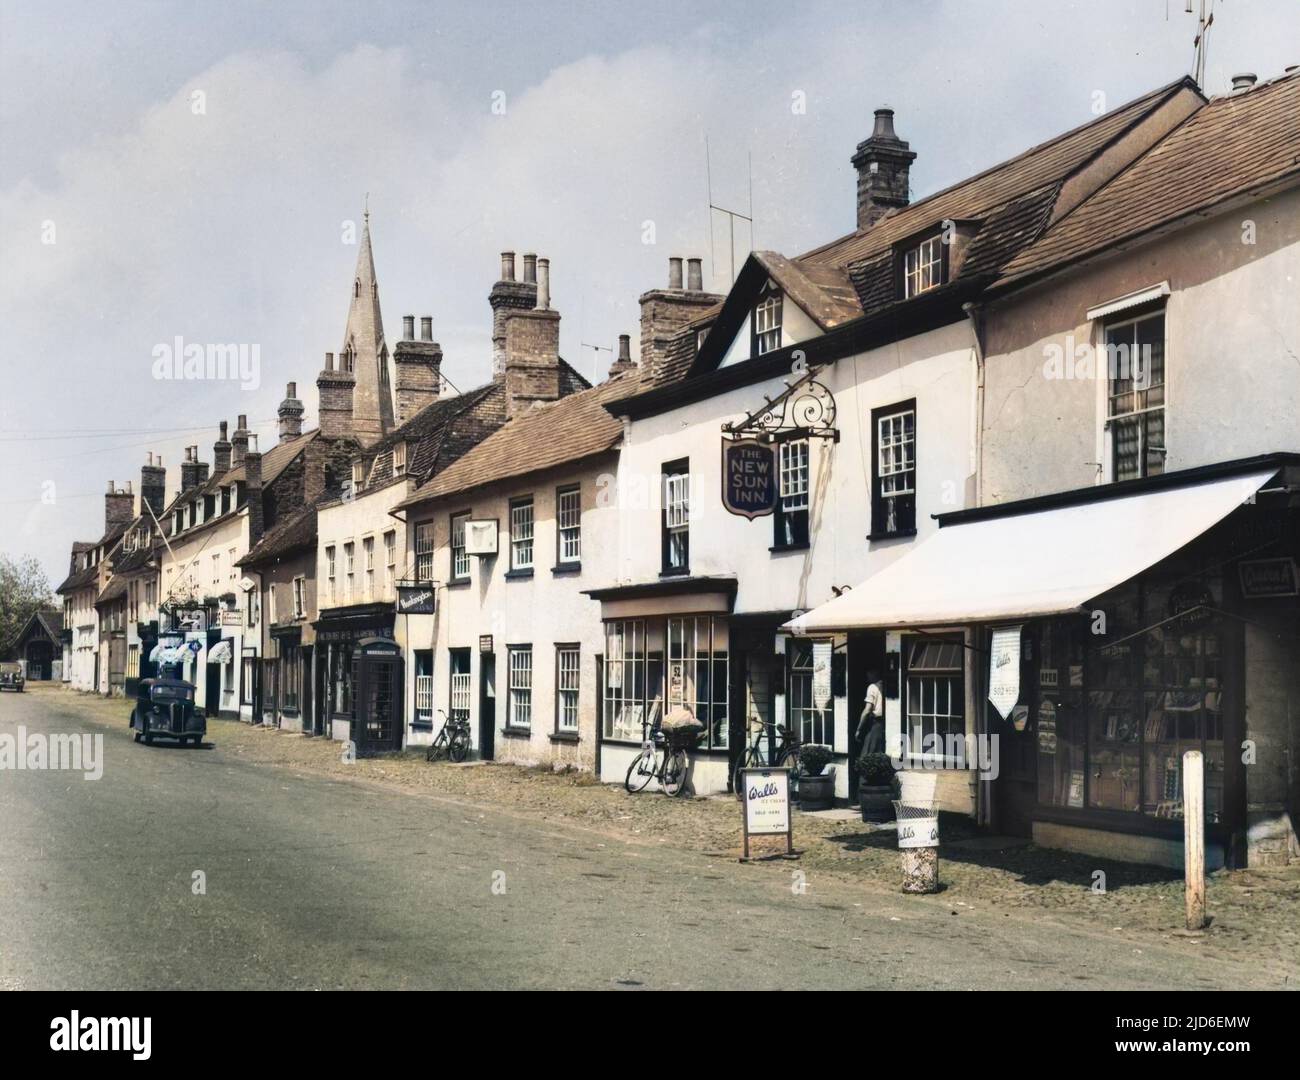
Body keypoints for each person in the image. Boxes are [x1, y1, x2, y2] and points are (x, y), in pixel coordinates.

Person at [856, 669, 885, 755]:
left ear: (874, 673)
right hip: (883, 724)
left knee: (867, 754)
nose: (867, 676)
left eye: (868, 673)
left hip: (875, 724)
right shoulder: (884, 685)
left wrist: (859, 729)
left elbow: (867, 710)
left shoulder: (872, 687)